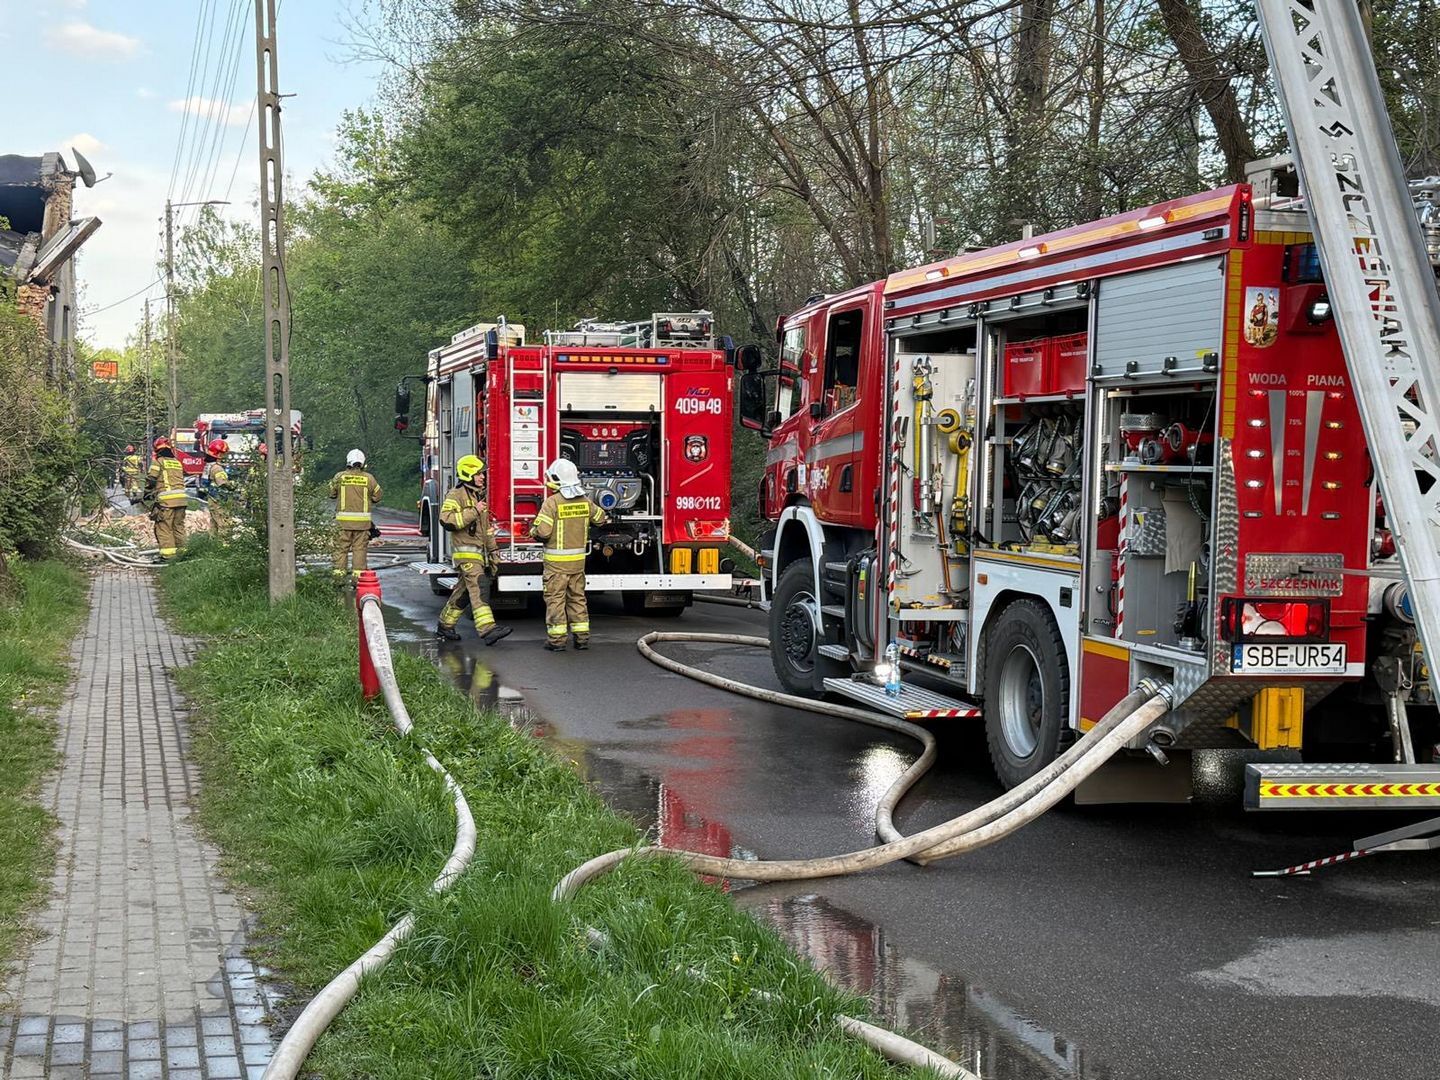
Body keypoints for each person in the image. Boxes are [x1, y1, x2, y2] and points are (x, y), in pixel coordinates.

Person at [530, 458, 607, 651]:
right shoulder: (585, 502)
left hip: (556, 566)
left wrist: (533, 531)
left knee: (556, 600)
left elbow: (544, 532)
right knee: (577, 599)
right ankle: (581, 639)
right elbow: (601, 518)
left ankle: (557, 641)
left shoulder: (552, 502)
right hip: (578, 564)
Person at [436, 455, 512, 645]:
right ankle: (487, 630)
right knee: (480, 586)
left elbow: (486, 530)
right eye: (478, 474)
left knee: (463, 593)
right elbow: (446, 520)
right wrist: (474, 511)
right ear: (468, 474)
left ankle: (445, 626)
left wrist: (494, 552)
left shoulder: (478, 496)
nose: (482, 477)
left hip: (479, 554)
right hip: (466, 554)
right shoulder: (456, 494)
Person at [328, 449, 382, 579]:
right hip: (362, 525)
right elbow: (377, 496)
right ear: (362, 463)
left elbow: (331, 494)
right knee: (359, 551)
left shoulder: (339, 477)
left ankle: (339, 579)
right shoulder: (369, 478)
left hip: (342, 524)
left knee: (341, 550)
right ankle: (357, 580)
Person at [145, 436, 190, 560]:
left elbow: (151, 479)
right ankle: (183, 554)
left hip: (167, 502)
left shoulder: (158, 461)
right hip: (182, 500)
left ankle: (168, 557)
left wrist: (146, 493)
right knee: (178, 527)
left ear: (157, 450)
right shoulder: (177, 463)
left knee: (164, 527)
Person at [200, 439, 232, 538]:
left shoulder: (208, 466)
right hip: (219, 500)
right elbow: (223, 483)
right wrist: (233, 486)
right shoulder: (217, 468)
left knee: (214, 524)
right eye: (223, 454)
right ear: (219, 454)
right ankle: (225, 547)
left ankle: (213, 546)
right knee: (224, 524)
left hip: (212, 498)